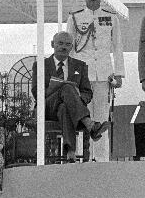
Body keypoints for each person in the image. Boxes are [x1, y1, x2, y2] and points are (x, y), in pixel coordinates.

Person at [66, 0, 125, 162]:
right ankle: (81, 157)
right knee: (83, 116)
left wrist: (119, 73)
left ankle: (100, 159)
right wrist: (70, 75)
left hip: (103, 75)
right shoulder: (75, 18)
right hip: (81, 75)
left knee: (101, 115)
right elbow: (69, 48)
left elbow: (117, 47)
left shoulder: (111, 17)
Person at [31, 32, 109, 162]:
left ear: (71, 47)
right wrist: (58, 90)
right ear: (52, 44)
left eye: (67, 44)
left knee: (64, 107)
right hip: (47, 108)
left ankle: (70, 151)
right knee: (67, 88)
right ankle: (89, 124)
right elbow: (35, 91)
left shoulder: (80, 66)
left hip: (71, 110)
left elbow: (87, 93)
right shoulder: (40, 65)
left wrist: (77, 98)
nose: (63, 47)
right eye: (60, 43)